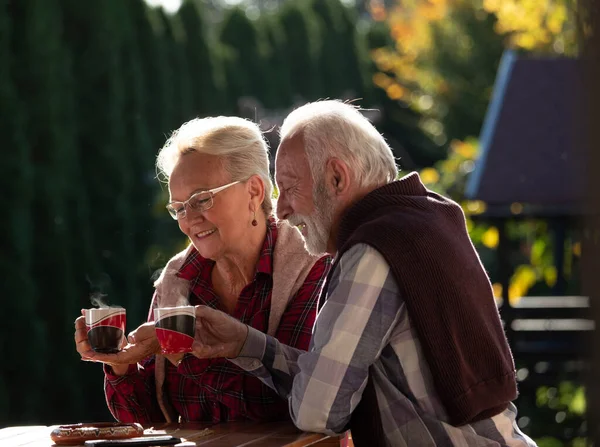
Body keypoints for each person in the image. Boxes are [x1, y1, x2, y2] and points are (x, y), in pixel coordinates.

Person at [187, 100, 538, 446]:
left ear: (337, 177)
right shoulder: (430, 215)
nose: (281, 211)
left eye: (290, 187)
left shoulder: (372, 251)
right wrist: (244, 343)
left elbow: (317, 411)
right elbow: (329, 385)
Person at [74, 117, 331, 424]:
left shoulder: (311, 267)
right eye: (179, 208)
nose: (189, 219)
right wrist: (121, 365)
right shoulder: (177, 280)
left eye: (201, 199)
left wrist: (182, 351)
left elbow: (288, 404)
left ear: (254, 191)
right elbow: (149, 419)